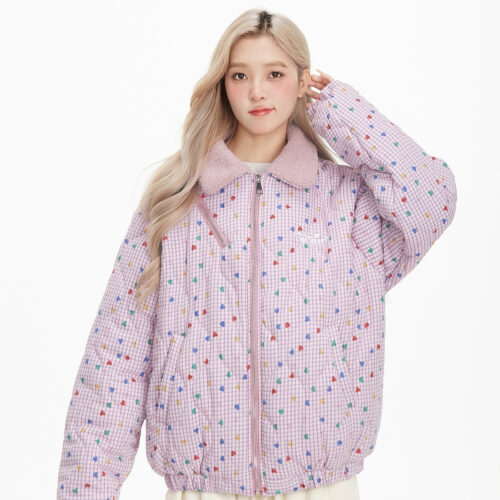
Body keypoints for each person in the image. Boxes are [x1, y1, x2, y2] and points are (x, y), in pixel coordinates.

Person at [56, 8, 458, 500]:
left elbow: (432, 197)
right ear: (223, 84)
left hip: (322, 488)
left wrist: (342, 110)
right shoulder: (176, 201)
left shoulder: (349, 203)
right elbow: (115, 357)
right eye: (240, 75)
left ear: (302, 81)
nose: (257, 92)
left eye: (275, 74)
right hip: (202, 489)